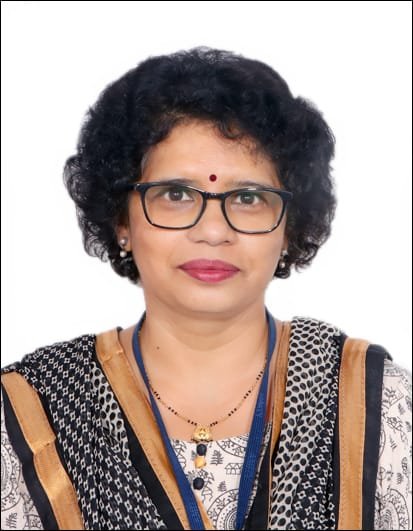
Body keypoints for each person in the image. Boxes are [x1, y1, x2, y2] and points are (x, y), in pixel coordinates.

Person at [1, 47, 411, 531]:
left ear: (289, 227)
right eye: (176, 194)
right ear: (121, 220)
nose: (214, 231)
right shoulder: (29, 414)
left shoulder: (378, 405)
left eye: (248, 197)